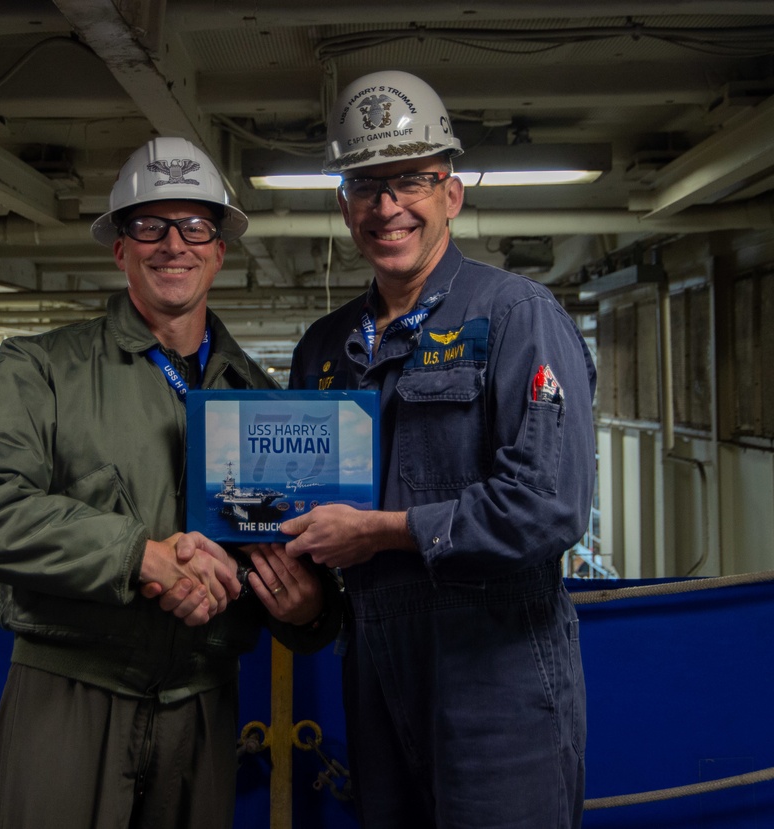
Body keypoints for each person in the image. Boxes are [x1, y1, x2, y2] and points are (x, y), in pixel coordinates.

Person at [0, 136, 340, 829]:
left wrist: (306, 606)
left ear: (219, 249)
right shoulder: (43, 370)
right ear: (119, 247)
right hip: (69, 691)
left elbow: (289, 566)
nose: (173, 244)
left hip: (201, 703)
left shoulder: (260, 399)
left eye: (195, 226)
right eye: (149, 225)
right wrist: (141, 555)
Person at [280, 70, 597, 828]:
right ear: (343, 204)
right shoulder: (323, 349)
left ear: (450, 193)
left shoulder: (518, 316)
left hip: (500, 680)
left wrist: (385, 531)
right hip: (377, 677)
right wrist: (301, 604)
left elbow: (547, 507)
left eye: (411, 180)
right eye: (366, 184)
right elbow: (300, 520)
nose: (388, 206)